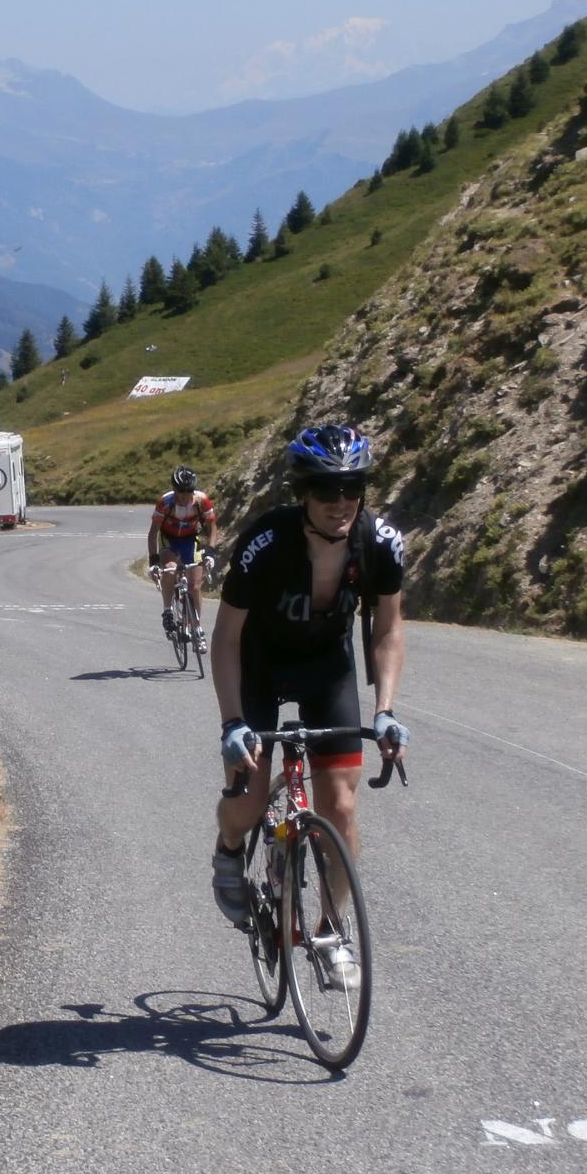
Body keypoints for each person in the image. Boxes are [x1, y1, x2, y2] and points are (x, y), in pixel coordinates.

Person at [207, 423, 410, 991]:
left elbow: (388, 629)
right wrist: (232, 722)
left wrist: (386, 708)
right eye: (326, 490)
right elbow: (225, 637)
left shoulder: (380, 542)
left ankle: (329, 929)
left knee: (341, 810)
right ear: (302, 493)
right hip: (258, 667)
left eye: (351, 488)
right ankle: (227, 851)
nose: (340, 502)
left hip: (327, 669)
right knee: (248, 801)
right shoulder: (266, 541)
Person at [146, 466, 219, 649]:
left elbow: (213, 528)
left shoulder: (202, 501)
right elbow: (153, 532)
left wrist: (210, 552)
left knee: (195, 586)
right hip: (168, 540)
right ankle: (168, 611)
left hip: (189, 540)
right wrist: (154, 561)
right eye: (181, 492)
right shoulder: (165, 502)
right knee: (170, 568)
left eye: (189, 492)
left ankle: (197, 628)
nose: (185, 496)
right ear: (174, 489)